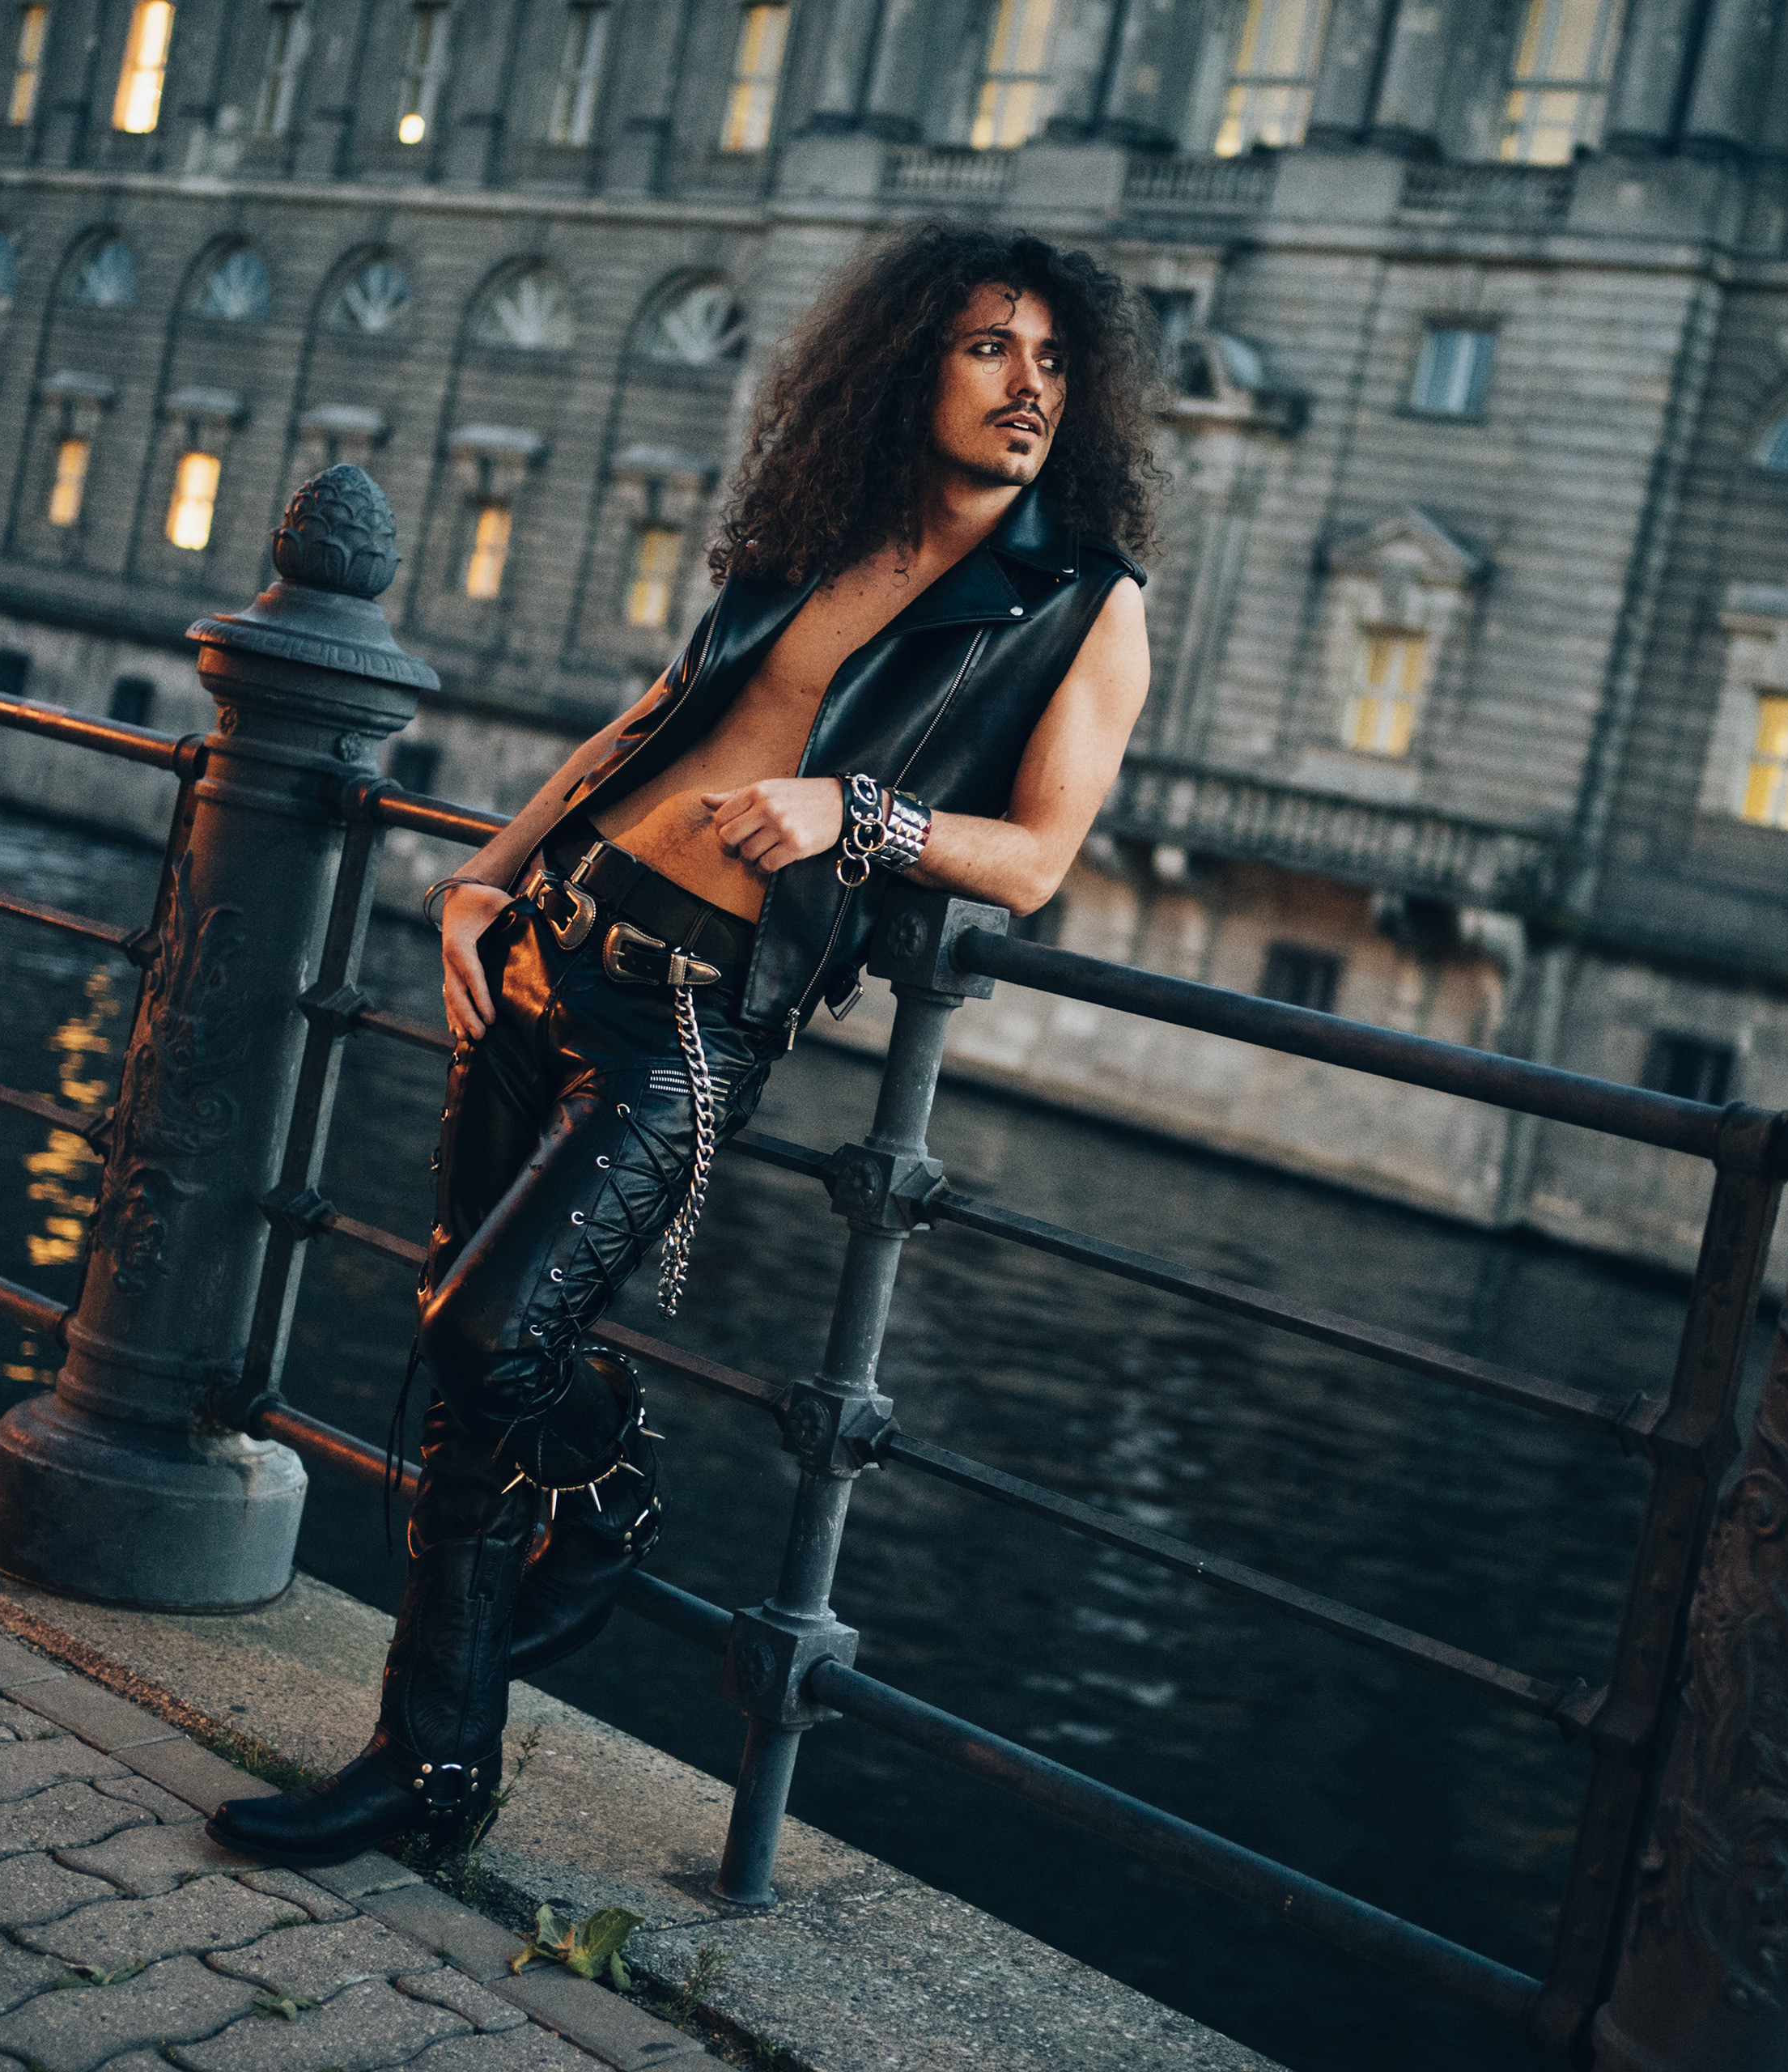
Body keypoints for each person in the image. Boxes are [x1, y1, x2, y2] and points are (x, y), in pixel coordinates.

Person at [210, 223, 1162, 1867]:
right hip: (545, 948)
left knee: (487, 1336)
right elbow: (651, 720)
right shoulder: (820, 534)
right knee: (460, 1397)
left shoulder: (1077, 601)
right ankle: (430, 1768)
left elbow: (1036, 857)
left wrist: (853, 812)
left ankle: (611, 1478)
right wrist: (485, 881)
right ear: (905, 366)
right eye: (991, 349)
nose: (1029, 388)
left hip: (694, 1019)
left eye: (1054, 361)